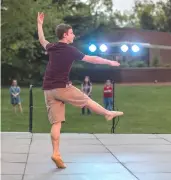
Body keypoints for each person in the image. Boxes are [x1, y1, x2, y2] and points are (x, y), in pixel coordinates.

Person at [37, 12, 124, 169]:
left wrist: (39, 24)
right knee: (87, 100)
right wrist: (110, 62)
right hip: (62, 87)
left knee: (56, 123)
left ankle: (56, 153)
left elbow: (42, 40)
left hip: (48, 89)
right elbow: (93, 59)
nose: (74, 35)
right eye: (71, 33)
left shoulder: (53, 48)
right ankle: (107, 113)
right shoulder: (70, 50)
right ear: (65, 35)